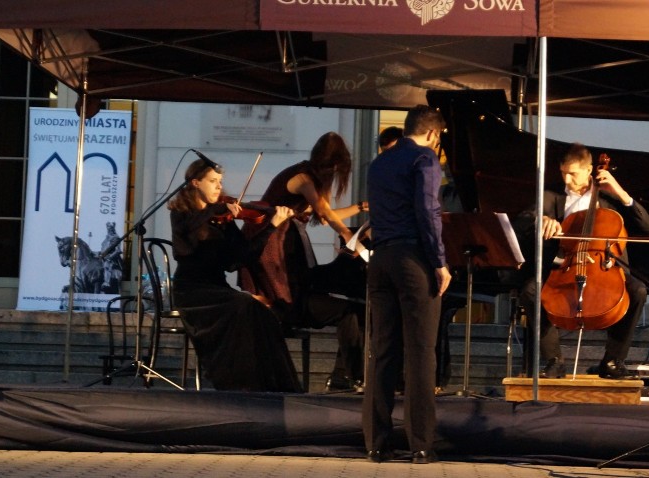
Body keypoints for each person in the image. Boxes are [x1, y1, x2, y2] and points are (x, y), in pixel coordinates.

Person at [239, 131, 369, 391]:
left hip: (288, 254)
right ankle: (352, 377)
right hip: (274, 253)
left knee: (356, 307)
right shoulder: (302, 179)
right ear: (332, 164)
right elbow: (325, 213)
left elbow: (324, 215)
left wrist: (360, 208)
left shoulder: (309, 179)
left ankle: (347, 377)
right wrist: (350, 238)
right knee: (350, 310)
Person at [515, 143, 649, 380]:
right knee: (530, 291)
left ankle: (612, 360)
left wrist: (620, 192)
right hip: (565, 267)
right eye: (563, 173)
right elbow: (523, 219)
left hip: (606, 268)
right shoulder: (553, 195)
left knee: (638, 291)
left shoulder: (610, 196)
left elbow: (647, 227)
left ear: (589, 170)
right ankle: (554, 360)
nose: (567, 180)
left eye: (573, 174)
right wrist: (544, 219)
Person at [363, 105, 451, 464]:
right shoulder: (426, 160)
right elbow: (428, 212)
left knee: (382, 352)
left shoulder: (379, 162)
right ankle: (420, 445)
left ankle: (376, 443)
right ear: (432, 134)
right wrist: (440, 263)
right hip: (413, 260)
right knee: (420, 353)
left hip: (379, 260)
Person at [169, 158, 302, 392]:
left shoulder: (224, 219)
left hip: (217, 288)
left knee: (264, 311)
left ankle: (275, 386)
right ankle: (238, 384)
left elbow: (242, 258)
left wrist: (272, 225)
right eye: (213, 181)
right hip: (192, 292)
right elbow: (183, 250)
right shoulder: (182, 213)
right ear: (196, 183)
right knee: (243, 304)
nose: (219, 186)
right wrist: (214, 210)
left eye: (220, 181)